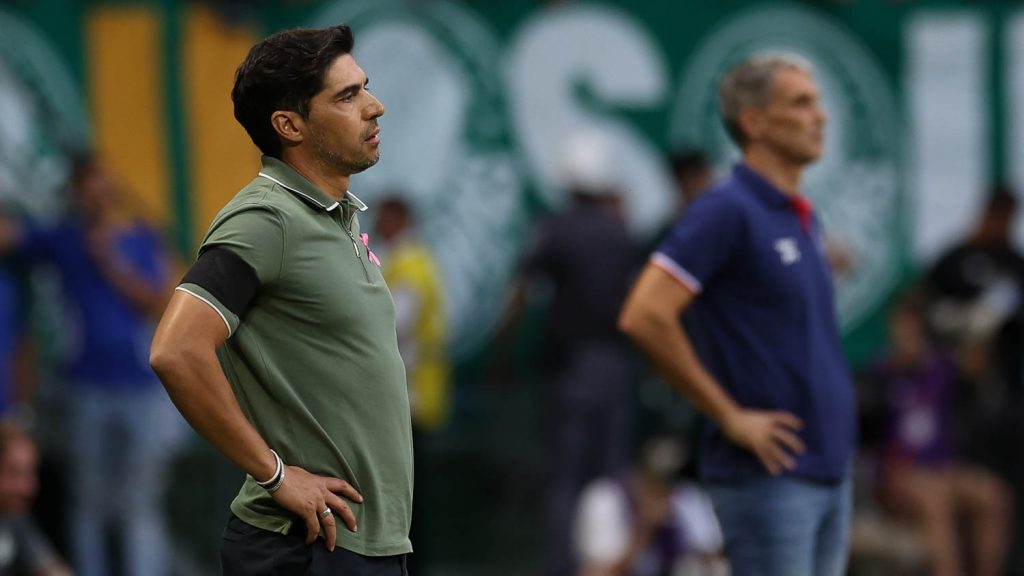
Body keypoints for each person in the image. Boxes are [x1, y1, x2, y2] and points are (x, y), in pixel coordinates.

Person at [149, 24, 413, 576]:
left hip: (358, 545)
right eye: (348, 96)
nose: (375, 106)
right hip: (304, 546)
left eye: (364, 87)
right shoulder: (266, 218)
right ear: (289, 125)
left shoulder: (335, 215)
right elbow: (176, 351)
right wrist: (275, 475)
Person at [618, 53, 856, 576]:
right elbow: (644, 314)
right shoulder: (725, 207)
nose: (822, 116)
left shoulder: (802, 214)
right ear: (754, 122)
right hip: (770, 477)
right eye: (801, 103)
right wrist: (728, 415)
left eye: (817, 102)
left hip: (829, 470)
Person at [6, 153, 177, 576]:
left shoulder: (140, 237)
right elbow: (12, 238)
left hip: (140, 387)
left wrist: (110, 260)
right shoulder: (63, 239)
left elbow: (160, 302)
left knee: (140, 504)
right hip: (83, 388)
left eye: (102, 184)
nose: (96, 195)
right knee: (88, 502)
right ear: (76, 193)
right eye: (87, 186)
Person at [515, 132, 639, 576]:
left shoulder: (556, 229)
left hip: (572, 368)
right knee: (608, 472)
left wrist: (502, 354)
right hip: (615, 363)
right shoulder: (620, 230)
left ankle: (565, 567)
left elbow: (522, 292)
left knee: (567, 475)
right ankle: (607, 563)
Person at [868, 293, 1012, 576]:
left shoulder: (942, 367)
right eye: (902, 326)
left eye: (914, 326)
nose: (907, 333)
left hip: (946, 468)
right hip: (902, 474)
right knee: (937, 501)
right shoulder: (880, 373)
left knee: (995, 496)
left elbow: (977, 364)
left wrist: (974, 328)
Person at [373, 195, 450, 574]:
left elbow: (392, 323)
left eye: (385, 217)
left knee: (406, 499)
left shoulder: (410, 264)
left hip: (408, 397)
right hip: (409, 396)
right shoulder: (410, 261)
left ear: (400, 218)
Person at [572, 434, 726, 576]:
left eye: (667, 481)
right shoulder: (605, 498)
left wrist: (684, 537)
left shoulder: (686, 497)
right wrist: (644, 528)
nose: (660, 489)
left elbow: (715, 559)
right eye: (652, 481)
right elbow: (601, 571)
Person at [0, 421, 71, 576]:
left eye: (31, 474)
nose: (28, 487)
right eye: (14, 474)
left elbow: (51, 567)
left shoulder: (14, 519)